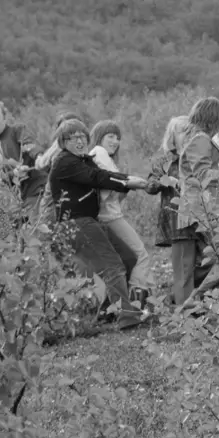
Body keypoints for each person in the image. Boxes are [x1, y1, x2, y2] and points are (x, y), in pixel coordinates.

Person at [47, 119, 150, 328]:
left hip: (88, 222)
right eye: (73, 138)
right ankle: (127, 315)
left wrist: (129, 179)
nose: (79, 141)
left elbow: (105, 174)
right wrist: (129, 182)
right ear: (63, 142)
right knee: (113, 265)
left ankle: (107, 310)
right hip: (76, 224)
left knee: (128, 257)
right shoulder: (65, 162)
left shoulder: (83, 159)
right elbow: (96, 177)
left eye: (82, 137)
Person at [170, 97, 219, 308]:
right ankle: (195, 303)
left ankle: (212, 304)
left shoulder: (193, 137)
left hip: (199, 207)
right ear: (213, 119)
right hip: (202, 208)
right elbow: (203, 175)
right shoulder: (200, 139)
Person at [89, 120, 155, 313]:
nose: (115, 141)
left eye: (118, 138)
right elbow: (117, 180)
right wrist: (139, 183)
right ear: (100, 136)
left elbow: (115, 188)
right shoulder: (98, 152)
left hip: (106, 216)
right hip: (110, 217)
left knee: (125, 260)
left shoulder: (102, 157)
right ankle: (137, 302)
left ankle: (133, 302)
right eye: (110, 136)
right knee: (140, 255)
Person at [0, 99, 47, 209]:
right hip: (17, 202)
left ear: (4, 117)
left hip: (37, 192)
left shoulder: (17, 130)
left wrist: (39, 157)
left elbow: (30, 145)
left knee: (41, 226)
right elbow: (1, 177)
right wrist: (14, 173)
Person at [146, 115, 190, 248]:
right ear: (172, 137)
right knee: (183, 259)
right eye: (183, 132)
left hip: (195, 217)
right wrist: (165, 181)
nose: (187, 135)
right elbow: (150, 186)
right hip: (174, 219)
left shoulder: (196, 157)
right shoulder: (165, 160)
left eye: (190, 132)